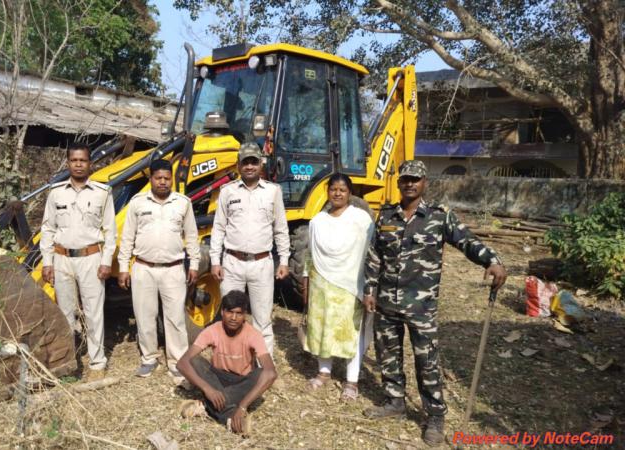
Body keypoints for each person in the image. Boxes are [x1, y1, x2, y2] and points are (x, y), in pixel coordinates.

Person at [362, 160, 507, 446]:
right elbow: (375, 255)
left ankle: (435, 416)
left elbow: (467, 241)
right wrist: (369, 290)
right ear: (399, 182)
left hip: (421, 306)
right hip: (387, 302)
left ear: (424, 183)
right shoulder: (386, 216)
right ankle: (395, 401)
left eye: (415, 179)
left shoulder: (439, 216)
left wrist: (492, 260)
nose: (409, 184)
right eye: (405, 179)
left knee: (426, 362)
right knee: (387, 355)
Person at [118, 159, 201, 381]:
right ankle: (149, 358)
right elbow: (127, 237)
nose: (162, 182)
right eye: (158, 178)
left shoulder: (182, 203)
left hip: (173, 269)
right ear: (151, 179)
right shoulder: (137, 203)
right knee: (145, 316)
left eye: (166, 178)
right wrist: (123, 267)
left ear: (171, 179)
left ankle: (177, 362)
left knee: (175, 318)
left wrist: (194, 264)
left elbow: (191, 236)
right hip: (143, 267)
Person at [40, 142, 116, 372]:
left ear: (90, 163)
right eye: (74, 160)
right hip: (62, 259)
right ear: (68, 163)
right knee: (65, 313)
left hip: (91, 258)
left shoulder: (102, 193)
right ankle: (68, 362)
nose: (79, 165)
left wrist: (106, 261)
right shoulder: (56, 193)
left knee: (93, 312)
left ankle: (97, 362)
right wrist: (47, 262)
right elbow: (48, 229)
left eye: (83, 160)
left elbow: (110, 231)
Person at [209, 142, 290, 354]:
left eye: (254, 162)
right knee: (230, 316)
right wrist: (215, 261)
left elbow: (280, 229)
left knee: (262, 320)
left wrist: (284, 260)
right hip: (232, 263)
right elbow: (218, 228)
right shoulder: (227, 192)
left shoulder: (273, 192)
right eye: (245, 162)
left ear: (261, 164)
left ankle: (264, 364)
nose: (250, 166)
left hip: (261, 264)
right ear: (238, 165)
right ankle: (230, 360)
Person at [302, 174, 375, 401]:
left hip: (351, 283)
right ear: (327, 192)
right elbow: (310, 254)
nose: (337, 193)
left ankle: (351, 381)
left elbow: (372, 251)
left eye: (342, 190)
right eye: (333, 189)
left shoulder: (361, 219)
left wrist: (371, 286)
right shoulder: (318, 221)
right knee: (323, 327)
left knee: (351, 331)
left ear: (349, 193)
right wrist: (306, 281)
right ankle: (324, 372)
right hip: (321, 283)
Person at [176, 290, 277, 435]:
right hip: (216, 379)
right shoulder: (213, 330)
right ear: (222, 312)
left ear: (245, 315)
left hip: (241, 382)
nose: (234, 318)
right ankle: (230, 417)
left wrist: (242, 407)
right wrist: (208, 389)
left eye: (239, 313)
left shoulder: (253, 334)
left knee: (261, 373)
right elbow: (182, 363)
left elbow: (271, 373)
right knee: (194, 361)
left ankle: (206, 405)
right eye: (230, 312)